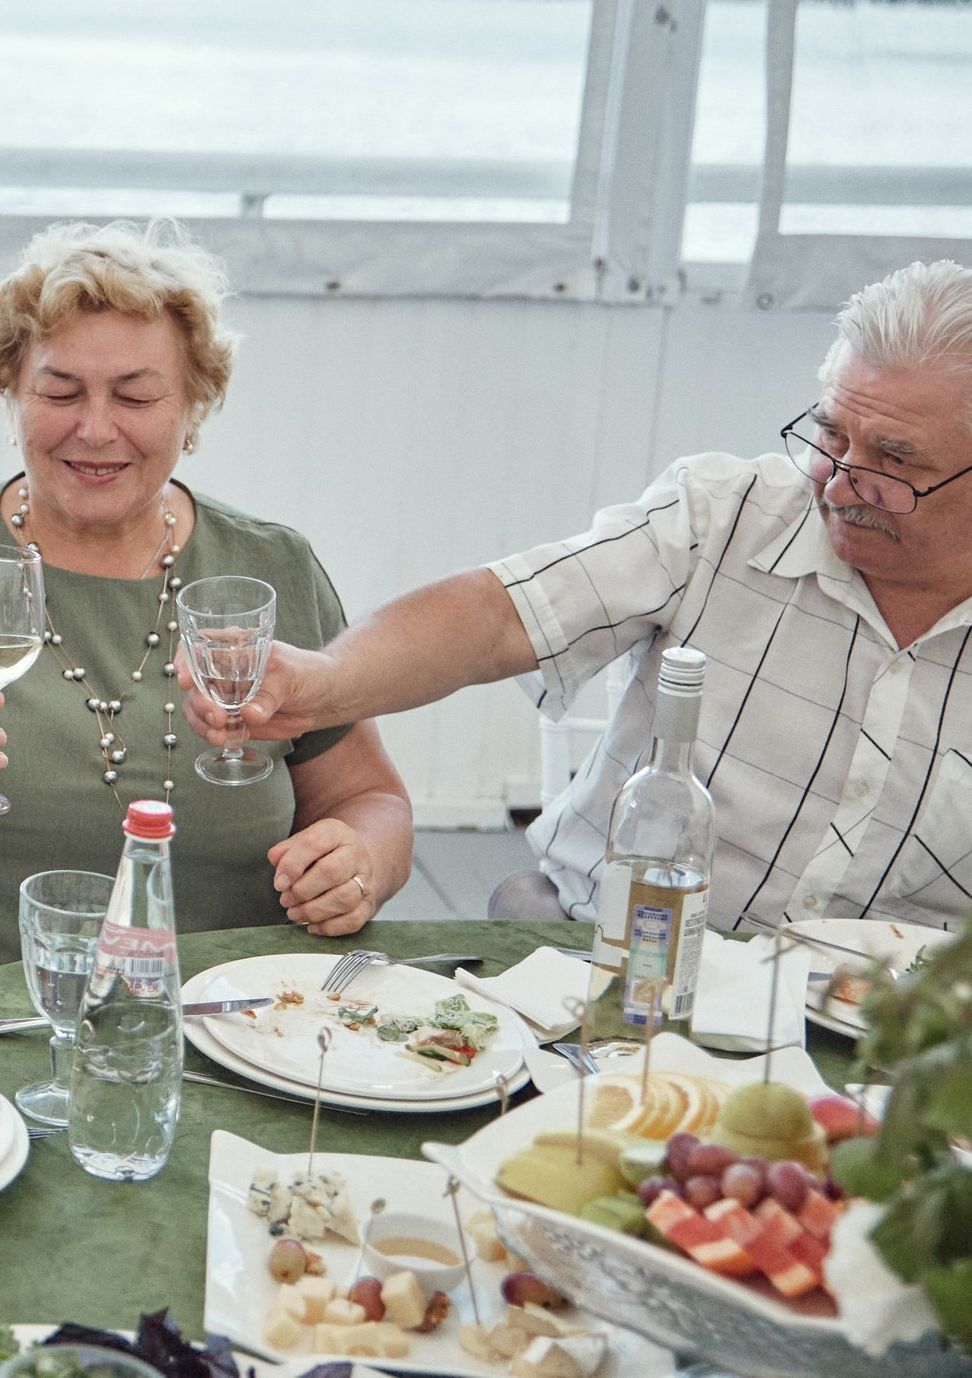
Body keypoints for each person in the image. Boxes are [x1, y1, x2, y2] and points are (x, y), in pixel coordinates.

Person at [0, 222, 414, 1033]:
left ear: (193, 405)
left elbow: (369, 796)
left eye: (134, 396)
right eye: (61, 392)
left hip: (216, 1021)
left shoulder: (269, 569)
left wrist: (360, 861)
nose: (95, 429)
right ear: (12, 391)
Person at [185, 259, 972, 933]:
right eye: (830, 434)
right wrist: (322, 684)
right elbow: (497, 616)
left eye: (892, 460)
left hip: (892, 1046)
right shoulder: (721, 517)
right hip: (601, 959)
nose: (836, 481)